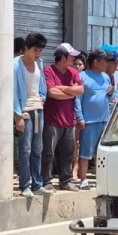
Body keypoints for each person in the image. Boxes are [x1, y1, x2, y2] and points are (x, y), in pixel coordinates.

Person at [13, 32, 50, 198]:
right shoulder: (15, 65)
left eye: (40, 51)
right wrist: (17, 115)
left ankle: (37, 183)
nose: (38, 54)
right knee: (25, 148)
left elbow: (42, 85)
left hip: (38, 109)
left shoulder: (39, 63)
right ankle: (25, 185)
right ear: (26, 49)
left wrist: (43, 95)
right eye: (36, 50)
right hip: (24, 110)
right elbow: (12, 92)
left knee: (38, 148)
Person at [42, 43, 83, 190]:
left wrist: (63, 89)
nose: (73, 59)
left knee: (68, 153)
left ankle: (66, 180)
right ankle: (46, 181)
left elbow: (80, 90)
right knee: (48, 152)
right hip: (52, 120)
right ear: (63, 58)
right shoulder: (49, 70)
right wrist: (71, 92)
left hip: (70, 120)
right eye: (71, 56)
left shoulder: (73, 72)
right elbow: (52, 93)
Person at [75, 50, 112, 191]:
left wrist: (110, 94)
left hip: (104, 120)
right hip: (89, 121)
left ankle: (100, 179)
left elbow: (109, 97)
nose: (106, 64)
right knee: (85, 152)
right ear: (96, 62)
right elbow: (77, 100)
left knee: (101, 152)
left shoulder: (106, 77)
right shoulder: (82, 76)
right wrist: (80, 118)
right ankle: (83, 179)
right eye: (104, 61)